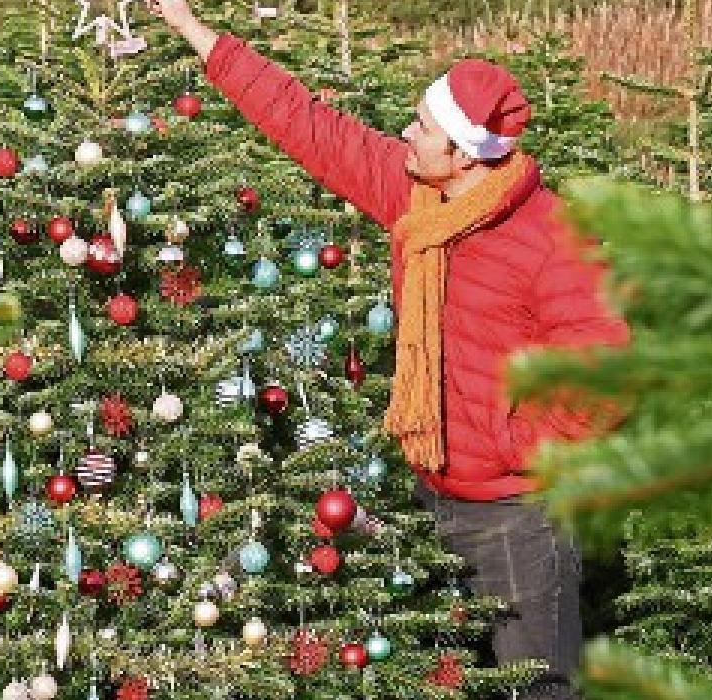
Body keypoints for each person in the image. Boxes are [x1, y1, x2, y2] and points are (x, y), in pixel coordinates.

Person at [147, 2, 632, 699]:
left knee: (539, 688)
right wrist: (196, 33)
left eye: (423, 126)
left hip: (516, 518)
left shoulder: (554, 239)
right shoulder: (417, 198)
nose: (405, 131)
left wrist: (512, 448)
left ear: (464, 152)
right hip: (425, 490)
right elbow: (310, 125)